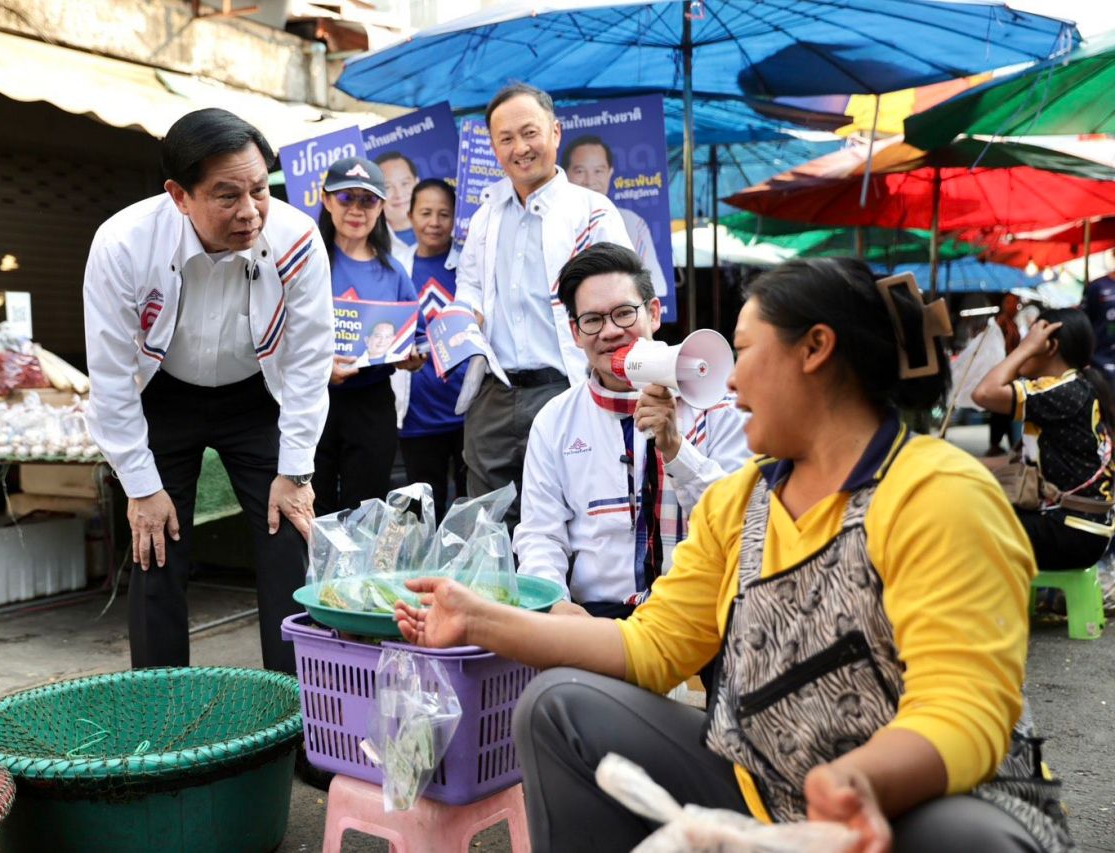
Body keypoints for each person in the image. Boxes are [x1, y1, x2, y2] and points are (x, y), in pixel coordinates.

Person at [396, 257, 1072, 853]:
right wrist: (478, 619)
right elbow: (651, 646)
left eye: (744, 350)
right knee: (557, 706)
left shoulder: (939, 492)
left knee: (965, 838)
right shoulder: (740, 500)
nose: (730, 378)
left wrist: (857, 778)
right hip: (763, 787)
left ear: (816, 349)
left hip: (914, 800)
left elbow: (964, 706)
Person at [83, 108, 332, 674]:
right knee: (155, 548)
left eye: (259, 190)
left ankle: (300, 725)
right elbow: (112, 375)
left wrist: (295, 472)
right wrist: (140, 485)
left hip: (256, 397)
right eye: (227, 196)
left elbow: (309, 359)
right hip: (164, 395)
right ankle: (162, 725)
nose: (250, 212)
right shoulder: (123, 244)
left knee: (286, 541)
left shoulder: (296, 238)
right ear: (178, 195)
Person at [516, 242, 749, 617]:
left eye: (624, 314)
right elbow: (541, 535)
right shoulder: (555, 421)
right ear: (575, 333)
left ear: (654, 313)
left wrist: (677, 450)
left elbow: (743, 521)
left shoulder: (719, 403)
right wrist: (556, 605)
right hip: (594, 615)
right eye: (592, 320)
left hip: (703, 613)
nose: (610, 332)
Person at [456, 83, 633, 527]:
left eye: (529, 132)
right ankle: (494, 601)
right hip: (494, 394)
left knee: (571, 518)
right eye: (506, 139)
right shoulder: (484, 217)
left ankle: (561, 601)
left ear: (555, 132)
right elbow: (470, 290)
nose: (520, 148)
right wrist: (458, 326)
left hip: (567, 387)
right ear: (494, 147)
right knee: (488, 525)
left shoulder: (593, 211)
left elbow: (622, 299)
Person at [315, 156, 424, 515]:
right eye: (346, 198)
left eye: (368, 200)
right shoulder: (306, 262)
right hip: (312, 400)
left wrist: (412, 358)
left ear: (381, 207)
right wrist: (319, 366)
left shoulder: (393, 272)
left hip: (371, 403)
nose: (356, 210)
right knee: (311, 510)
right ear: (327, 199)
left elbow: (415, 335)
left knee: (366, 511)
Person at [972, 307, 1115, 571]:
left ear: (1049, 346)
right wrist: (963, 464)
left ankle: (983, 609)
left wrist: (1023, 350)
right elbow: (1021, 460)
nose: (1023, 342)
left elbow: (984, 394)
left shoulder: (1063, 390)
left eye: (1031, 336)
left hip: (1071, 532)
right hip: (1077, 529)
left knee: (964, 527)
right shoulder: (1072, 387)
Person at [391, 178, 468, 519]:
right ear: (409, 216)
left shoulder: (471, 265)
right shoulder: (395, 266)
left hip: (469, 412)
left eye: (444, 214)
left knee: (469, 508)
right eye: (425, 213)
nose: (434, 222)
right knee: (420, 513)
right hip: (418, 416)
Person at [562, 134, 670, 299]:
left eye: (598, 171)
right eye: (579, 171)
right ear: (564, 174)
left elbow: (657, 288)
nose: (590, 180)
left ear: (610, 173)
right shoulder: (549, 222)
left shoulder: (633, 223)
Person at [987, 294, 1022, 455]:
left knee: (1008, 409)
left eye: (1015, 303)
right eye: (1009, 303)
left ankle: (1009, 442)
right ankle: (995, 443)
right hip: (1002, 370)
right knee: (999, 410)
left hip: (1011, 372)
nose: (1013, 306)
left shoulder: (1013, 324)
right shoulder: (1000, 323)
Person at [374, 150, 420, 251]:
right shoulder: (371, 247)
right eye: (388, 187)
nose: (399, 194)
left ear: (417, 184)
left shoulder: (452, 229)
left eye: (405, 183)